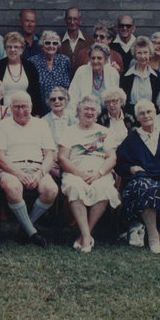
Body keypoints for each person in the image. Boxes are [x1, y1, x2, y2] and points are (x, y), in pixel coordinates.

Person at [115, 99, 160, 254]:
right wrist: (130, 168)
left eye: (149, 112)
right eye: (141, 113)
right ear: (137, 117)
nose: (146, 115)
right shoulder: (132, 138)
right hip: (143, 178)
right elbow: (119, 164)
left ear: (155, 112)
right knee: (144, 188)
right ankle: (153, 236)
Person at [58, 95, 121, 253]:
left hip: (98, 172)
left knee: (104, 188)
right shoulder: (69, 131)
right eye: (85, 109)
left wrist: (99, 173)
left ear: (98, 113)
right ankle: (87, 236)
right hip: (75, 171)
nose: (89, 112)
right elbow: (62, 157)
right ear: (78, 111)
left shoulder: (105, 132)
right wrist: (79, 173)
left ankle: (85, 235)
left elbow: (112, 157)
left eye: (93, 109)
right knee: (74, 187)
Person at [0, 91, 57, 247]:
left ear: (31, 106)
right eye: (16, 107)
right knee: (12, 188)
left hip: (37, 167)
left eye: (24, 107)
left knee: (51, 190)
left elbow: (49, 155)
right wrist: (19, 174)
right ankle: (33, 233)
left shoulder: (41, 124)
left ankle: (25, 227)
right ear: (9, 108)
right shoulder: (3, 125)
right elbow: (0, 157)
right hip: (12, 168)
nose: (21, 111)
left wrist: (40, 173)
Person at [0, 31, 44, 116]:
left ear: (22, 49)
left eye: (16, 47)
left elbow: (36, 93)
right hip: (2, 114)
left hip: (25, 113)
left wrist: (36, 115)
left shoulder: (30, 67)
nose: (12, 50)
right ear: (5, 49)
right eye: (9, 47)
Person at [29, 30, 71, 113]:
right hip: (41, 111)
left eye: (54, 43)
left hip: (62, 110)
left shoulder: (64, 61)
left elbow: (69, 85)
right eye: (47, 43)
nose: (51, 46)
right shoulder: (32, 62)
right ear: (42, 45)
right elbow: (31, 90)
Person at [68, 43, 119, 112]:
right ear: (89, 59)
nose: (95, 61)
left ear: (106, 60)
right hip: (85, 113)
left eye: (99, 58)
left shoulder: (113, 73)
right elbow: (72, 97)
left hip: (106, 115)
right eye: (93, 58)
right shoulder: (81, 71)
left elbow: (115, 99)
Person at [120, 36, 160, 115]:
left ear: (150, 53)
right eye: (139, 53)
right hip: (131, 118)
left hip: (151, 116)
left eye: (145, 52)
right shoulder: (125, 76)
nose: (142, 56)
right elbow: (123, 103)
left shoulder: (157, 76)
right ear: (135, 55)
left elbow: (158, 101)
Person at [41, 87, 76, 165]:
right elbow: (43, 145)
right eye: (53, 99)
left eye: (60, 98)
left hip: (73, 158)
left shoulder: (75, 121)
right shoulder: (43, 122)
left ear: (66, 101)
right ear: (49, 103)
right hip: (52, 159)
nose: (57, 101)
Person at [58, 7, 91, 74]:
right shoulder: (57, 40)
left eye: (75, 19)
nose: (72, 22)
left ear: (80, 20)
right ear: (65, 20)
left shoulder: (89, 41)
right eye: (69, 19)